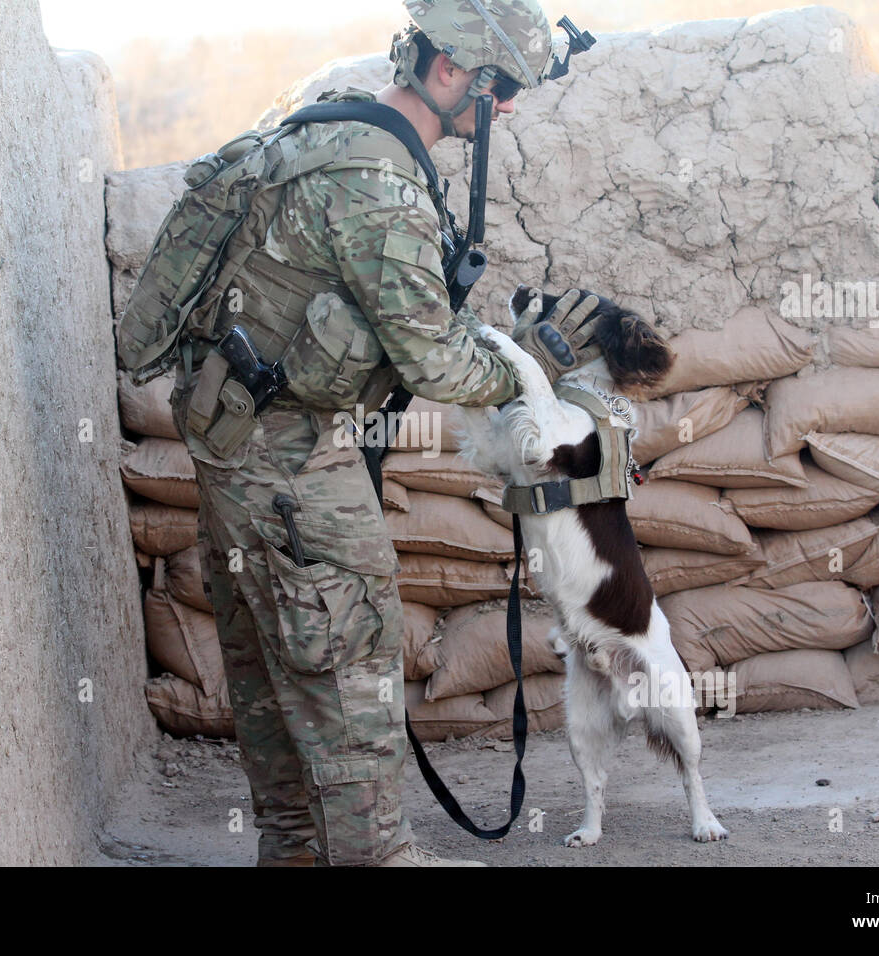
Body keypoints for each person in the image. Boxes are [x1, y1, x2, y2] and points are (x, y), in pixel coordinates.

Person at [171, 0, 603, 866]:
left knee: (271, 677)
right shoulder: (381, 185)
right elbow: (438, 363)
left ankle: (294, 850)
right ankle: (381, 857)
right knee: (348, 666)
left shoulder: (320, 135)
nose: (507, 108)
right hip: (297, 466)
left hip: (236, 453)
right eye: (501, 87)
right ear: (450, 73)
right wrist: (533, 373)